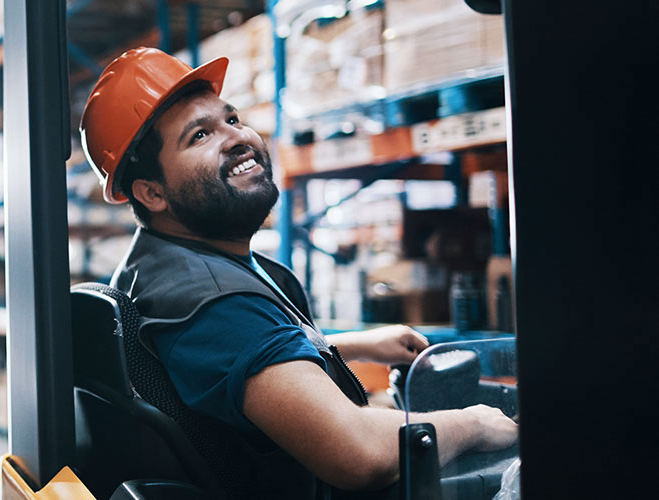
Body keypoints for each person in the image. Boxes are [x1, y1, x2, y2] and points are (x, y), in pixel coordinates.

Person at [80, 47, 517, 498]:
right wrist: (474, 423)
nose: (235, 137)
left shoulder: (159, 265)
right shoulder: (214, 303)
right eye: (199, 137)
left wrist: (350, 345)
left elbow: (234, 362)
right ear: (151, 192)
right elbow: (358, 454)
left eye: (231, 119)